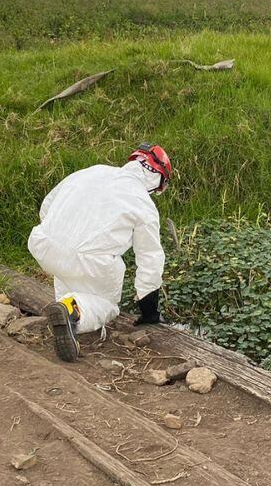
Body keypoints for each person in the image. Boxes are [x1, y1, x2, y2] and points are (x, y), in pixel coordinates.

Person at [29, 144, 172, 362]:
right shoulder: (143, 203)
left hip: (42, 242)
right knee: (107, 304)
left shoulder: (93, 171)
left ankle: (66, 314)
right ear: (158, 180)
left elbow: (48, 204)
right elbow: (150, 258)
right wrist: (149, 311)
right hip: (87, 260)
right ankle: (71, 311)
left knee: (69, 270)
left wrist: (59, 237)